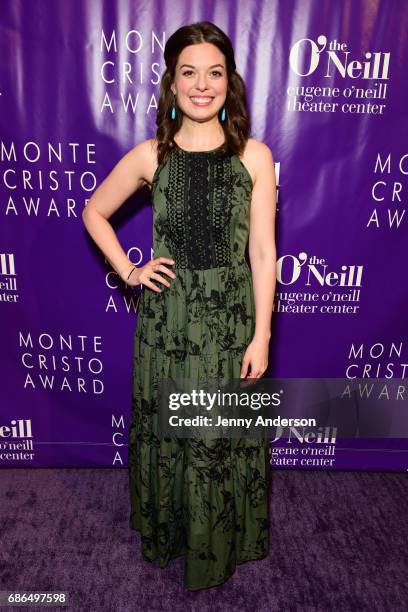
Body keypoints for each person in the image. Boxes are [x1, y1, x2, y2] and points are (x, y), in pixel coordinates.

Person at [82, 21, 277, 591]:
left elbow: (263, 254)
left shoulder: (255, 157)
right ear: (171, 83)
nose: (201, 85)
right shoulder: (150, 156)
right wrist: (130, 271)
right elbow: (95, 212)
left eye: (213, 73)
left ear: (229, 83)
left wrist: (262, 335)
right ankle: (172, 535)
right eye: (188, 73)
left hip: (232, 320)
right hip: (167, 321)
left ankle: (223, 541)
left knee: (220, 436)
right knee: (173, 434)